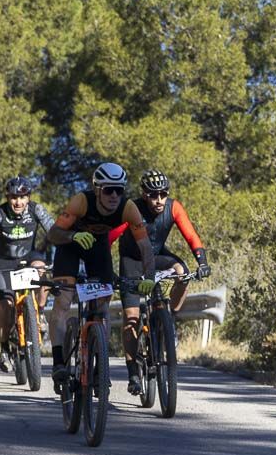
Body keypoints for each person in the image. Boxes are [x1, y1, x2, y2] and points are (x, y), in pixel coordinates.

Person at [46, 162, 155, 391]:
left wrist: (149, 277)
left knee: (102, 310)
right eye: (108, 190)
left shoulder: (127, 209)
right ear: (97, 189)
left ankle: (98, 368)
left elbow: (145, 247)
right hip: (70, 245)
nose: (114, 195)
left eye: (119, 190)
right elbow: (53, 233)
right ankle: (58, 362)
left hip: (98, 248)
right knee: (63, 301)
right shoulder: (81, 201)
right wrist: (73, 236)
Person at [106, 169, 211, 395]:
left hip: (157, 255)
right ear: (144, 194)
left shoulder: (173, 207)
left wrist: (202, 263)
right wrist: (103, 267)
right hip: (132, 260)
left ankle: (167, 317)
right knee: (132, 318)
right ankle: (133, 370)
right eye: (154, 195)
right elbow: (110, 237)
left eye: (163, 194)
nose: (159, 200)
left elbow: (191, 236)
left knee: (181, 272)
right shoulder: (132, 209)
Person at [0, 177, 55, 372]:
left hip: (28, 257)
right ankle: (4, 348)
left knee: (42, 269)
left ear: (28, 197)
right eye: (13, 197)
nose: (18, 202)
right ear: (7, 198)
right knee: (5, 305)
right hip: (3, 261)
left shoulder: (36, 209)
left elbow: (54, 230)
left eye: (22, 197)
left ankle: (40, 313)